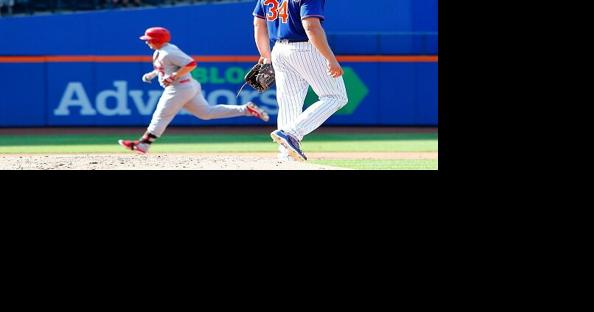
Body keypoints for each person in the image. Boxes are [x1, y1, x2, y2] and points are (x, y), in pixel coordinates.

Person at [119, 27, 269, 154]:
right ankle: (246, 109)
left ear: (157, 40)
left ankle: (143, 144)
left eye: (149, 39)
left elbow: (191, 63)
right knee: (206, 113)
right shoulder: (160, 51)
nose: (147, 42)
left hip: (180, 87)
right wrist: (152, 74)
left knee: (161, 115)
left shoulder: (168, 51)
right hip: (186, 86)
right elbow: (163, 68)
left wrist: (174, 76)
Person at [252, 0, 347, 161]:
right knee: (336, 97)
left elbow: (258, 24)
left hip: (278, 51)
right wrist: (330, 58)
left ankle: (286, 155)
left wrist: (266, 55)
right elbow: (310, 26)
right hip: (305, 48)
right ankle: (291, 133)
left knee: (289, 103)